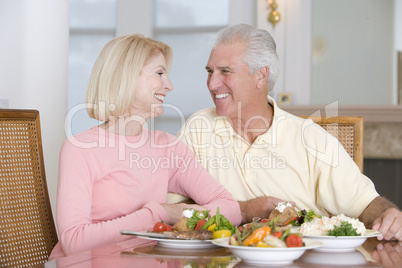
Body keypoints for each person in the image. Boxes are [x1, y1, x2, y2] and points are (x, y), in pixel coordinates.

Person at [174, 24, 402, 241]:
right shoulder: (198, 128)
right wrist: (243, 210)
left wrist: (390, 215)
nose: (212, 84)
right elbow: (170, 209)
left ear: (261, 76)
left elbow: (366, 204)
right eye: (210, 71)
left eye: (225, 71)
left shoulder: (311, 138)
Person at [49, 34, 241, 259]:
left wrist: (186, 214)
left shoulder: (167, 146)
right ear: (126, 76)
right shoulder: (80, 148)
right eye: (160, 73)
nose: (169, 85)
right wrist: (159, 214)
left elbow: (231, 208)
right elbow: (74, 241)